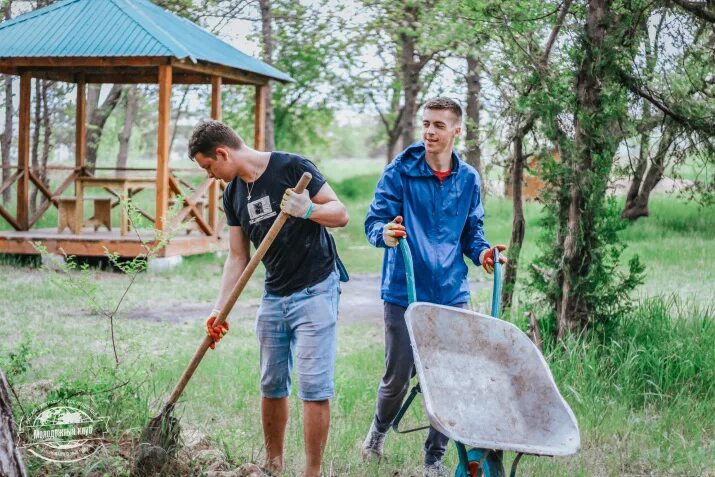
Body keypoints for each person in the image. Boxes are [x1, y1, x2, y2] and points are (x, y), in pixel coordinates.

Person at [188, 120, 349, 477]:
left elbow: (341, 214)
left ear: (222, 153)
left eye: (209, 167)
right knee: (272, 383)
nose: (212, 176)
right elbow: (237, 257)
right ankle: (273, 466)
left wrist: (308, 210)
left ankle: (312, 472)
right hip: (274, 295)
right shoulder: (232, 195)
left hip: (316, 288)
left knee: (313, 385)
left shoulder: (292, 167)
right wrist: (220, 309)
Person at [361, 97, 507, 476]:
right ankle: (377, 434)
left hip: (451, 293)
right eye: (426, 123)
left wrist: (484, 254)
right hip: (403, 290)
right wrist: (387, 234)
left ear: (457, 130)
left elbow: (472, 234)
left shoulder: (469, 179)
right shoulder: (401, 171)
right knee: (398, 378)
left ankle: (435, 458)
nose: (429, 131)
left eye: (439, 125)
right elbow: (374, 222)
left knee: (450, 379)